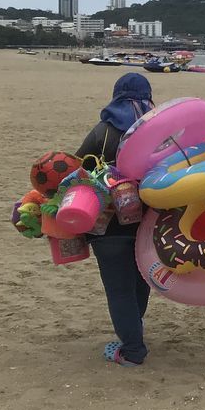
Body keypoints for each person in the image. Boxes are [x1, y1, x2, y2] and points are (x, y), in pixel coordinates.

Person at [76, 72, 155, 367]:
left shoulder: (104, 131)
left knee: (119, 290)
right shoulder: (162, 131)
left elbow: (77, 170)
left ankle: (132, 350)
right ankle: (133, 330)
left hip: (106, 226)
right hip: (149, 225)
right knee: (140, 282)